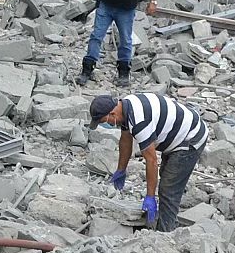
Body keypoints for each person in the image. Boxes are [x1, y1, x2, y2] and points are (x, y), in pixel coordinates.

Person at [88, 91, 208, 232]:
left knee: (169, 189)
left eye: (104, 121)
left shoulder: (140, 121)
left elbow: (151, 160)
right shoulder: (126, 107)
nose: (108, 124)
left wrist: (150, 196)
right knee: (166, 177)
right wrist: (121, 169)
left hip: (190, 138)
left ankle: (165, 236)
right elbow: (125, 141)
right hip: (177, 133)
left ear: (112, 114)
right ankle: (167, 221)